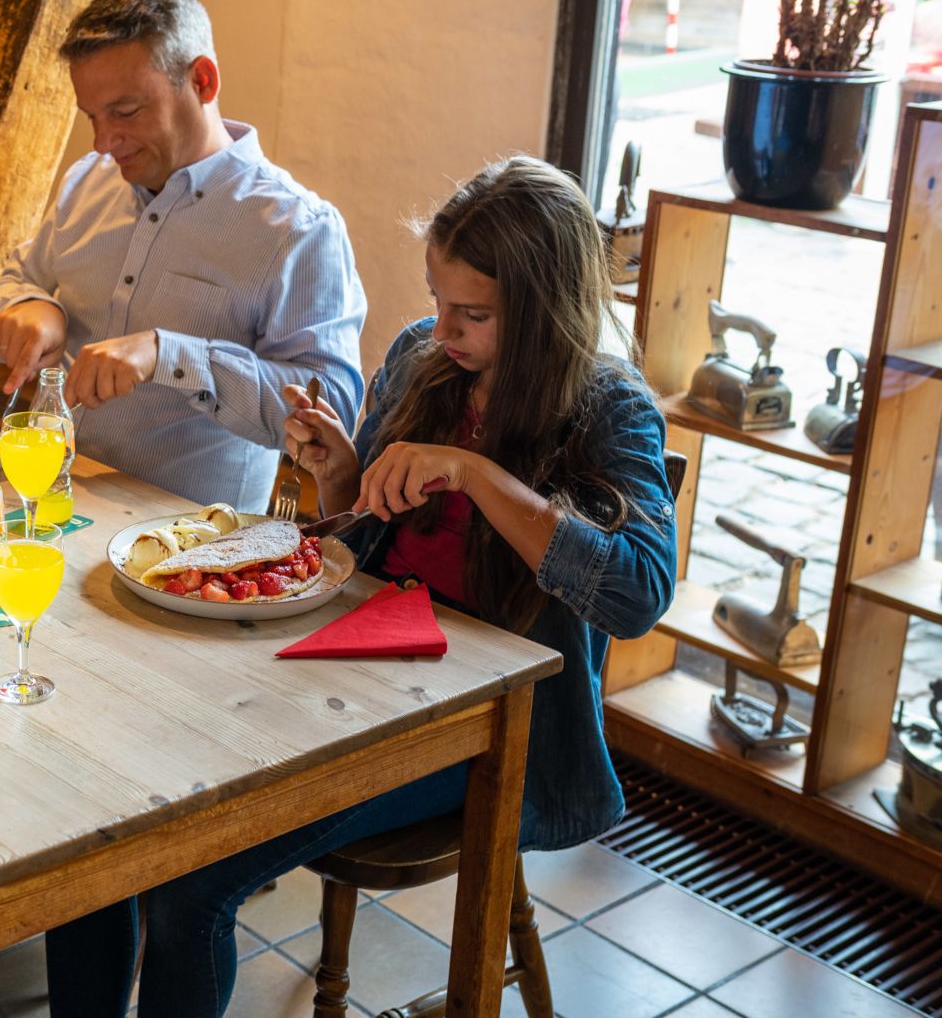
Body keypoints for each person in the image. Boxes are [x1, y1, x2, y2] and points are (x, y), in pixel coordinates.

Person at [44, 158, 677, 1018]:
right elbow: (364, 539)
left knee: (189, 889)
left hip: (487, 726)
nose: (442, 325)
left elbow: (639, 592)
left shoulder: (610, 406)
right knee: (100, 814)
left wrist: (474, 471)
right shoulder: (425, 357)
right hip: (362, 672)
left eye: (473, 313)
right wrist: (340, 472)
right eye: (439, 299)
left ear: (542, 309)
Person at [0, 0, 365, 511]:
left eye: (126, 112)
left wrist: (170, 354)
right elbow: (7, 284)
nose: (102, 142)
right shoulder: (88, 180)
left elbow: (332, 412)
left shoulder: (299, 229)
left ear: (202, 80)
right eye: (93, 116)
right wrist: (26, 307)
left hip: (189, 551)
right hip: (48, 507)